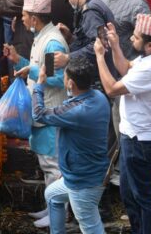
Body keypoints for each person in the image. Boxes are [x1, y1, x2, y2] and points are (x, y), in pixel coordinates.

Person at [94, 15, 151, 234]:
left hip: (140, 139)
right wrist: (115, 45)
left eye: (135, 37)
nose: (131, 39)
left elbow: (112, 89)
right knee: (129, 193)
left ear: (149, 45)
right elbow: (126, 68)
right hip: (132, 134)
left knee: (143, 196)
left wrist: (100, 57)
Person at [5, 0, 68, 229]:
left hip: (51, 111)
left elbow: (57, 78)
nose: (21, 19)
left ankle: (59, 214)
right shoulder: (41, 37)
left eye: (24, 15)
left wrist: (30, 71)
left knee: (53, 167)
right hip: (41, 110)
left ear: (34, 18)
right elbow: (41, 69)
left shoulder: (52, 42)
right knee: (46, 165)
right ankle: (51, 207)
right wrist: (19, 60)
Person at [33, 56, 111, 234]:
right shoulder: (99, 97)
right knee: (52, 195)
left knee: (91, 228)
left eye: (65, 76)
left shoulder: (77, 111)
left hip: (83, 181)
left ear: (70, 83)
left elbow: (38, 114)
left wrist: (40, 84)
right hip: (87, 172)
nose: (63, 77)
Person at [55, 0, 115, 70]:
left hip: (98, 74)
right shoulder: (96, 4)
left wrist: (68, 58)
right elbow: (91, 40)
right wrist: (71, 38)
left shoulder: (90, 11)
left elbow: (101, 45)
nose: (70, 2)